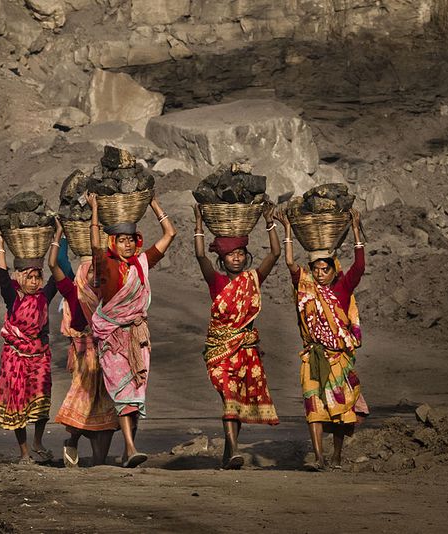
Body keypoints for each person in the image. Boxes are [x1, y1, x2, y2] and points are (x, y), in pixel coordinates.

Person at [87, 192, 176, 468]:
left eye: (130, 240)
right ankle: (130, 446)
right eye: (121, 240)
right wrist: (95, 210)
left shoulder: (141, 264)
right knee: (125, 396)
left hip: (137, 337)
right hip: (113, 338)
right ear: (113, 242)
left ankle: (129, 452)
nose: (127, 245)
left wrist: (153, 204)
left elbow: (170, 234)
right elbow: (94, 246)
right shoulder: (106, 264)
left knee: (135, 397)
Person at [275, 208, 368, 471]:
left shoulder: (342, 289)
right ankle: (318, 457)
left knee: (340, 410)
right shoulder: (306, 286)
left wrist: (356, 230)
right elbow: (291, 265)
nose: (318, 274)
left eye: (324, 269)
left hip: (338, 357)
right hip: (313, 356)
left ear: (333, 270)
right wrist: (288, 231)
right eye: (315, 269)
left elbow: (359, 266)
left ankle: (337, 456)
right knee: (313, 406)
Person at [193, 203, 281, 470]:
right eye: (231, 254)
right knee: (229, 397)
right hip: (219, 350)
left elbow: (275, 253)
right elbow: (200, 256)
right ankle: (234, 451)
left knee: (234, 402)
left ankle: (229, 453)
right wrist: (198, 222)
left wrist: (270, 222)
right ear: (223, 259)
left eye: (241, 253)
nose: (237, 258)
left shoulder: (253, 279)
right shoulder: (216, 282)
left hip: (245, 350)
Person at [48, 218, 118, 467]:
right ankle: (73, 440)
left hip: (109, 355)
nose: (93, 276)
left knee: (108, 406)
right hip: (84, 355)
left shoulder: (110, 295)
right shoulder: (72, 292)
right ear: (80, 274)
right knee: (84, 400)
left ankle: (99, 463)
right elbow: (54, 263)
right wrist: (60, 234)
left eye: (96, 272)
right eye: (88, 271)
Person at [0, 229, 58, 463]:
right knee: (18, 404)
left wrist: (57, 239)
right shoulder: (14, 298)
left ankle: (38, 441)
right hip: (15, 358)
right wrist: (1, 245)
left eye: (36, 278)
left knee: (42, 398)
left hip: (39, 355)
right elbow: (2, 278)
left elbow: (59, 275)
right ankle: (24, 453)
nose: (33, 282)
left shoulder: (43, 297)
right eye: (29, 277)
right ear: (21, 278)